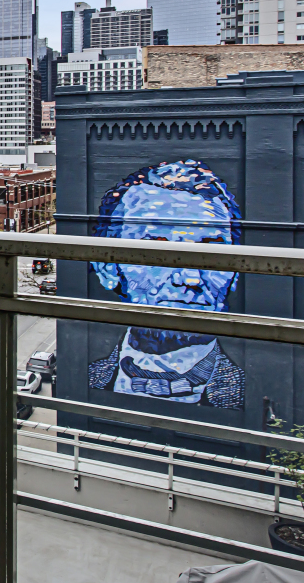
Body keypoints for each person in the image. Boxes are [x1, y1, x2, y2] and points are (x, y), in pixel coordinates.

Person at [86, 158, 246, 409]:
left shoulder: (247, 394)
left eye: (212, 253)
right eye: (158, 252)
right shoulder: (91, 379)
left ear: (235, 273)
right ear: (107, 268)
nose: (191, 278)